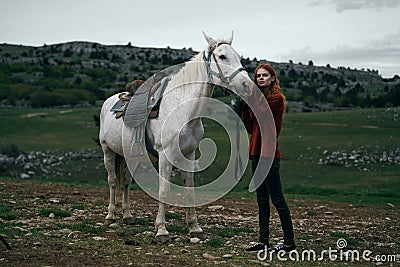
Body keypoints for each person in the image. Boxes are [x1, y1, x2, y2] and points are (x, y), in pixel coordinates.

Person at [241, 63, 295, 253]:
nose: (260, 78)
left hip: (269, 154)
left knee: (277, 199)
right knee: (262, 199)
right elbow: (250, 126)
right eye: (258, 76)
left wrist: (248, 96)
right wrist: (244, 106)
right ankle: (263, 241)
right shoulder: (260, 99)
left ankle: (289, 243)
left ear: (273, 78)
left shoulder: (276, 99)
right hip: (256, 152)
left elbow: (260, 112)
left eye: (265, 75)